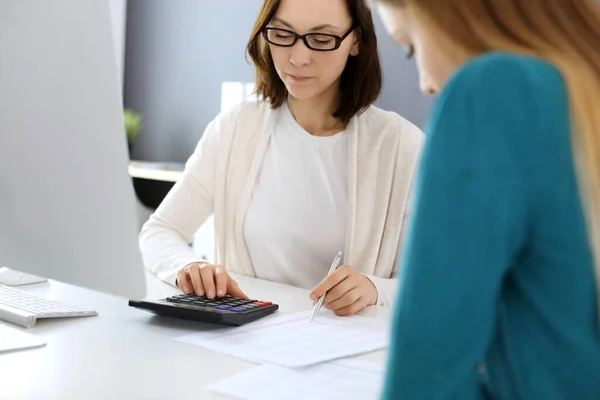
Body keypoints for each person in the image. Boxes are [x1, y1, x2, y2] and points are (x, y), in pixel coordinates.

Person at [370, 0, 600, 398]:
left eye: (410, 46)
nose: (425, 83)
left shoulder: (493, 92)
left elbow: (424, 385)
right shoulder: (580, 93)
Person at [139, 0, 423, 316]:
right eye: (283, 33)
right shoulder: (235, 129)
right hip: (244, 344)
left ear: (355, 40)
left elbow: (435, 281)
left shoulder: (401, 146)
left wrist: (375, 288)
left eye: (321, 39)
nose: (298, 57)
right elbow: (159, 231)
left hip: (343, 353)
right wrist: (188, 265)